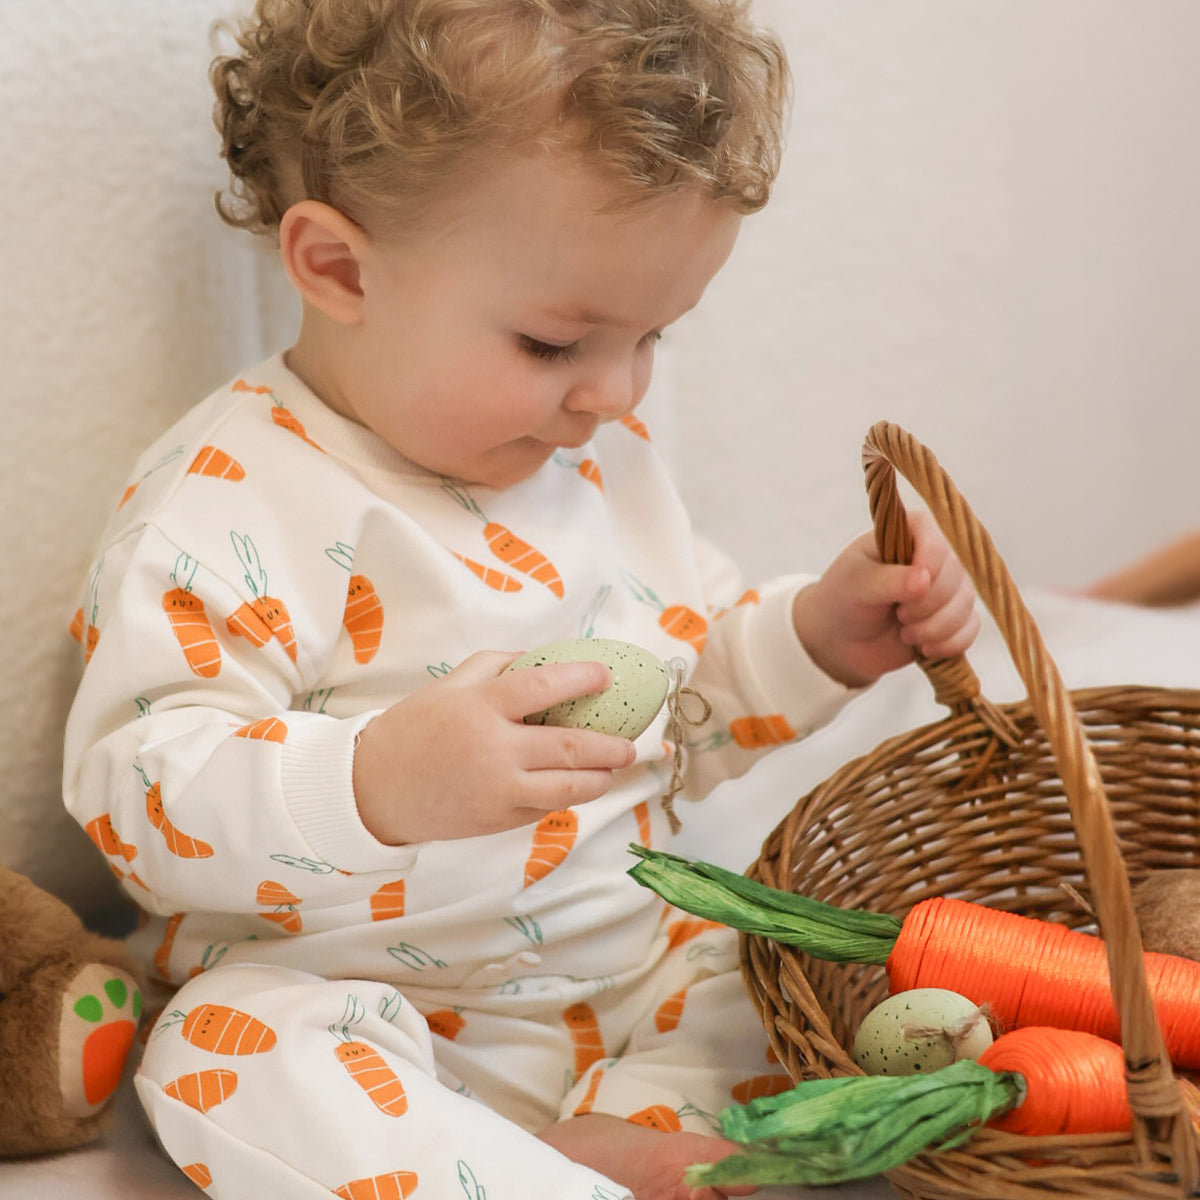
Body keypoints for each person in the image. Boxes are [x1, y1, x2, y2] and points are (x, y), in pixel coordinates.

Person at [62, 2, 980, 1198]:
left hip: (629, 971)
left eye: (654, 336)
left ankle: (627, 1137)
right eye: (555, 344)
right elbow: (140, 795)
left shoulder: (593, 461)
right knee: (217, 1060)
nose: (613, 394)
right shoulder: (226, 508)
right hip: (371, 1009)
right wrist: (373, 782)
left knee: (780, 956)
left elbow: (683, 700)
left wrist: (813, 639)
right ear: (337, 267)